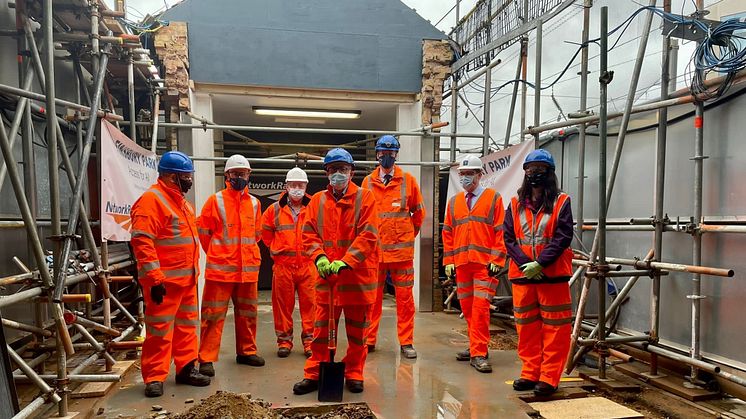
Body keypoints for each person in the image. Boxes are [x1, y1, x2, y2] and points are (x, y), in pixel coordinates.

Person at [293, 148, 380, 395]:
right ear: (326, 173)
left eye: (343, 169)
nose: (338, 174)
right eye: (333, 170)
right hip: (326, 280)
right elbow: (308, 234)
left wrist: (347, 261)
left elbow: (369, 235)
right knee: (319, 332)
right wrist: (319, 257)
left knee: (358, 333)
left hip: (356, 279)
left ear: (351, 172)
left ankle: (354, 373)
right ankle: (313, 373)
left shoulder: (366, 198)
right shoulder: (318, 200)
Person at [131, 151, 210, 397]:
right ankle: (154, 377)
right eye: (186, 176)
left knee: (187, 327)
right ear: (172, 177)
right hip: (163, 283)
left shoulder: (183, 203)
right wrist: (155, 278)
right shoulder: (151, 201)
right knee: (159, 331)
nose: (189, 180)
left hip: (186, 280)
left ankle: (186, 368)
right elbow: (142, 241)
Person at [504, 149, 574, 397]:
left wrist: (540, 264)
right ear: (525, 173)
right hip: (524, 276)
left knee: (555, 329)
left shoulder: (561, 201)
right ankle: (530, 371)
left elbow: (563, 236)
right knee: (527, 328)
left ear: (550, 173)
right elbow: (509, 238)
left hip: (552, 275)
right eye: (530, 170)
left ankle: (549, 377)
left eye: (540, 170)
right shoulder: (514, 204)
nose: (535, 174)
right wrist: (526, 264)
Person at [196, 154, 265, 378]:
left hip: (248, 271)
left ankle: (246, 351)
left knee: (248, 314)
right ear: (227, 175)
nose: (239, 177)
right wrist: (220, 254)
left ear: (249, 175)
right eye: (235, 174)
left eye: (243, 174)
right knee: (212, 315)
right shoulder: (215, 201)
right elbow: (204, 233)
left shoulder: (255, 203)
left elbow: (257, 235)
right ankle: (206, 358)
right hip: (221, 271)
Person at [442, 155, 506, 373]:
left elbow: (500, 232)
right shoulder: (454, 202)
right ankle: (476, 345)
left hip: (484, 265)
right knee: (468, 309)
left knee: (480, 309)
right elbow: (448, 233)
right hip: (462, 265)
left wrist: (497, 260)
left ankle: (478, 353)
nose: (466, 178)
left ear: (480, 175)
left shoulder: (493, 199)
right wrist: (448, 260)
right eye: (463, 174)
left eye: (470, 174)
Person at [362, 135, 425, 359]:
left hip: (401, 254)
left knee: (405, 300)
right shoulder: (368, 182)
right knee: (372, 299)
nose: (386, 157)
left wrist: (407, 234)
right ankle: (369, 339)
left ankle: (406, 342)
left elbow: (419, 214)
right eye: (382, 153)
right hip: (375, 254)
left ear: (396, 154)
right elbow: (363, 217)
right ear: (377, 154)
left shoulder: (408, 181)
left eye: (391, 153)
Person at [262, 167, 315, 358]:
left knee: (311, 306)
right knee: (282, 307)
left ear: (306, 185)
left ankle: (310, 342)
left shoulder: (313, 207)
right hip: (283, 266)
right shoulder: (273, 209)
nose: (296, 188)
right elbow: (266, 234)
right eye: (293, 185)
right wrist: (279, 250)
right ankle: (284, 342)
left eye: (300, 185)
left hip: (308, 265)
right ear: (286, 186)